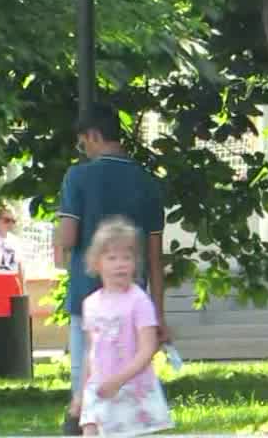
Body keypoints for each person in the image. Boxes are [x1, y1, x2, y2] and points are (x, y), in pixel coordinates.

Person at [56, 103, 166, 435]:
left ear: (92, 135)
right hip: (132, 297)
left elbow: (68, 237)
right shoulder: (147, 182)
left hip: (87, 292)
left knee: (87, 368)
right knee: (129, 369)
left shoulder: (77, 176)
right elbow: (155, 256)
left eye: (83, 143)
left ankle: (83, 420)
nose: (84, 150)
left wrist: (57, 235)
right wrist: (159, 314)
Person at [70, 216, 173, 436]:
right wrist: (80, 394)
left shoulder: (139, 301)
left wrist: (118, 381)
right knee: (90, 429)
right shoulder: (91, 304)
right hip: (99, 386)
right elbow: (91, 352)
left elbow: (147, 349)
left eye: (127, 257)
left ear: (135, 263)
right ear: (96, 263)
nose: (120, 264)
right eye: (112, 258)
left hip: (131, 387)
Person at [0, 205, 25, 291]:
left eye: (13, 221)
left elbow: (20, 267)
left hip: (12, 284)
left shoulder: (16, 241)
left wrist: (23, 290)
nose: (10, 224)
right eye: (6, 220)